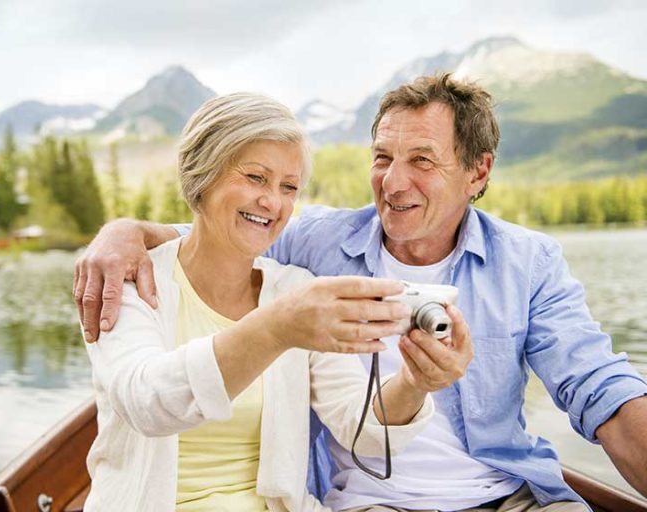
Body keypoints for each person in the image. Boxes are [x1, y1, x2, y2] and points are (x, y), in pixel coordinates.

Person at [75, 75, 647, 511]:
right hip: (371, 502)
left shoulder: (527, 262)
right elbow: (217, 238)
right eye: (382, 158)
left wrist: (418, 383)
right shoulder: (307, 255)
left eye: (422, 161)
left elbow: (598, 386)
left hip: (510, 494)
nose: (393, 182)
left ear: (477, 173)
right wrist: (124, 232)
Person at [81, 92, 462, 511]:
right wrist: (275, 328)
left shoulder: (292, 290)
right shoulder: (129, 279)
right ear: (201, 175)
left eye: (289, 187)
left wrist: (415, 382)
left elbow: (362, 430)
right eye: (256, 178)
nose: (273, 203)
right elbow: (148, 403)